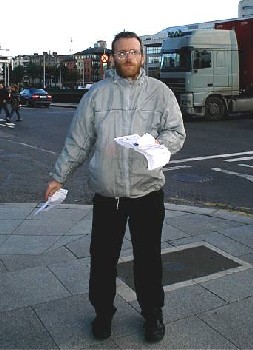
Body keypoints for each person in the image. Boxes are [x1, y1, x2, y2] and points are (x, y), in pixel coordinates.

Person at [45, 31, 186, 343]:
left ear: (142, 55)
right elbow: (77, 142)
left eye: (134, 52)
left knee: (148, 258)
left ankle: (153, 314)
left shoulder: (160, 92)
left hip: (147, 193)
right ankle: (103, 314)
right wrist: (58, 178)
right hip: (108, 196)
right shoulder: (96, 94)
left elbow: (177, 131)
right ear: (112, 56)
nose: (129, 58)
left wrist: (159, 143)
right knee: (103, 258)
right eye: (122, 53)